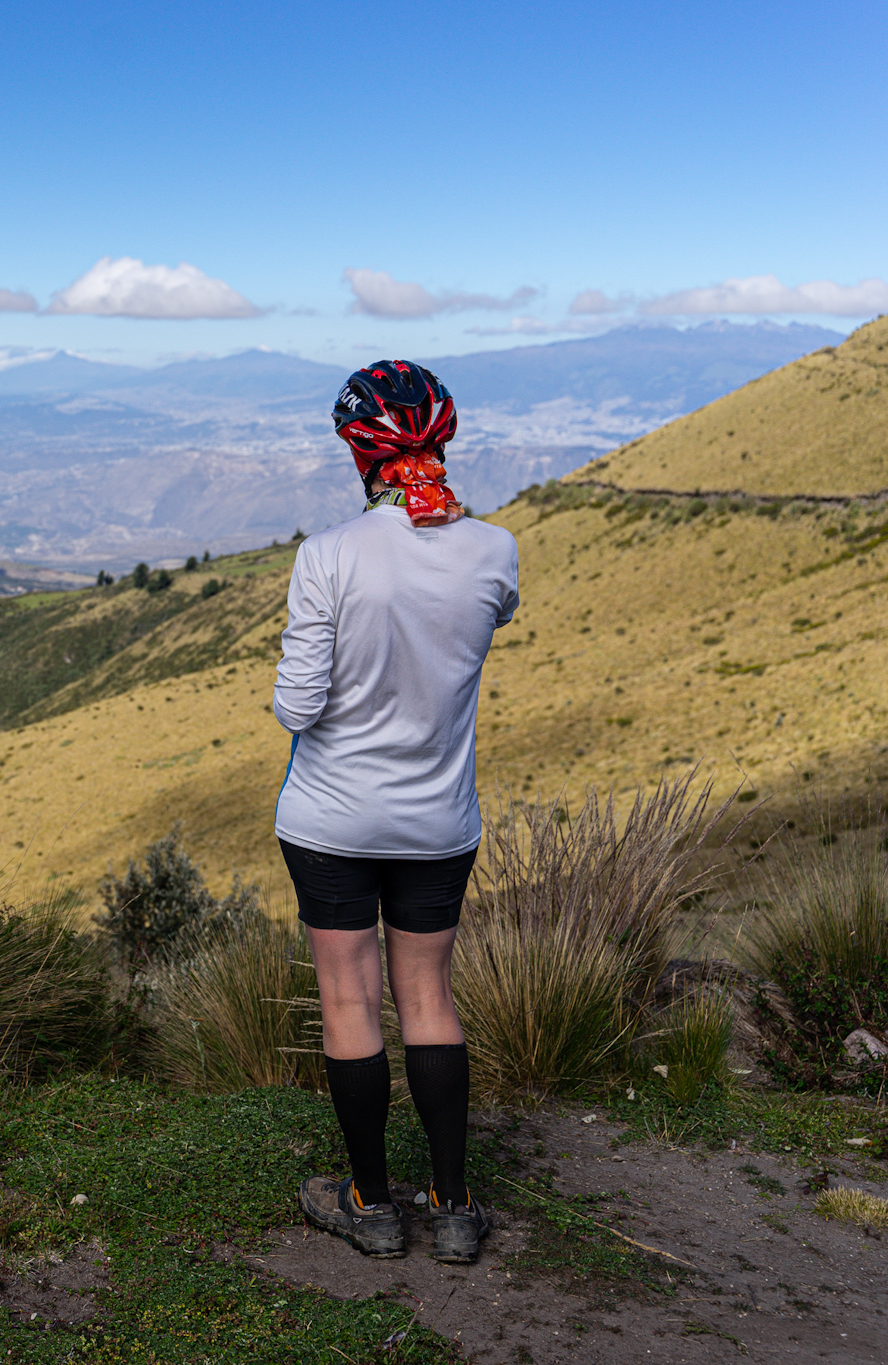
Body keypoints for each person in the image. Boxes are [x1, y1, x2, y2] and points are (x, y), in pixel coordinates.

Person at [272, 360, 518, 1264]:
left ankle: (371, 1203)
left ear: (354, 448)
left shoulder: (327, 556)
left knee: (350, 1000)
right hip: (439, 822)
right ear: (442, 439)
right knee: (429, 998)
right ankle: (454, 1207)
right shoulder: (495, 550)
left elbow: (298, 708)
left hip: (331, 820)